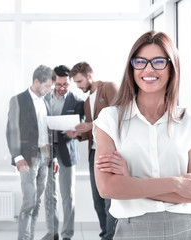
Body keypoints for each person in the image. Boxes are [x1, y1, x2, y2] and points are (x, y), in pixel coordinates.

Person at [93, 31, 191, 239]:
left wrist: (130, 182)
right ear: (132, 68)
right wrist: (177, 184)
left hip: (189, 229)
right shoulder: (110, 119)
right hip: (133, 230)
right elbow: (107, 188)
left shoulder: (190, 122)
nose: (148, 69)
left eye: (158, 62)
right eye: (141, 62)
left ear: (172, 68)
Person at [66, 61, 118, 240]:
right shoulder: (87, 101)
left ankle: (110, 237)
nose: (78, 86)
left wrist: (91, 124)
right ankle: (106, 234)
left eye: (79, 81)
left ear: (89, 76)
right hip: (94, 153)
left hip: (110, 152)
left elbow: (119, 115)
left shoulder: (109, 88)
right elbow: (91, 131)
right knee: (98, 200)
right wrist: (78, 134)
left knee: (109, 200)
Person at [6, 65, 53, 240]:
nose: (49, 90)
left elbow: (49, 130)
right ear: (36, 82)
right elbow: (12, 130)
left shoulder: (46, 101)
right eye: (47, 86)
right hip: (27, 158)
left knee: (37, 202)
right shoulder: (18, 100)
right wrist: (17, 157)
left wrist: (52, 158)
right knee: (28, 203)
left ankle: (29, 237)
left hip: (45, 157)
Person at [42, 65, 84, 240]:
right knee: (49, 196)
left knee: (68, 197)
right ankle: (52, 233)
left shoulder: (77, 101)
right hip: (48, 152)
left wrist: (74, 130)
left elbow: (80, 125)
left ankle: (67, 235)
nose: (62, 88)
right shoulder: (43, 99)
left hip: (67, 151)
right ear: (53, 82)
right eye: (58, 84)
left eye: (65, 84)